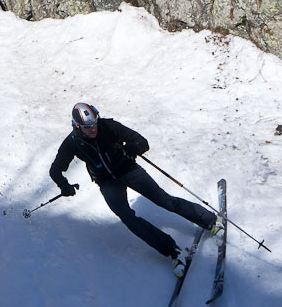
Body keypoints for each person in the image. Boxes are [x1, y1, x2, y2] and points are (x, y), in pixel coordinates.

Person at [49, 102, 222, 276]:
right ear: (77, 126)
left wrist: (133, 148)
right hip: (108, 182)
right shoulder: (72, 143)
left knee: (165, 201)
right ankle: (173, 251)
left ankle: (210, 220)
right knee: (128, 219)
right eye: (88, 127)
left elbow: (142, 141)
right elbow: (55, 170)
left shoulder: (109, 126)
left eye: (94, 123)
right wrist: (64, 186)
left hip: (129, 170)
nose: (93, 129)